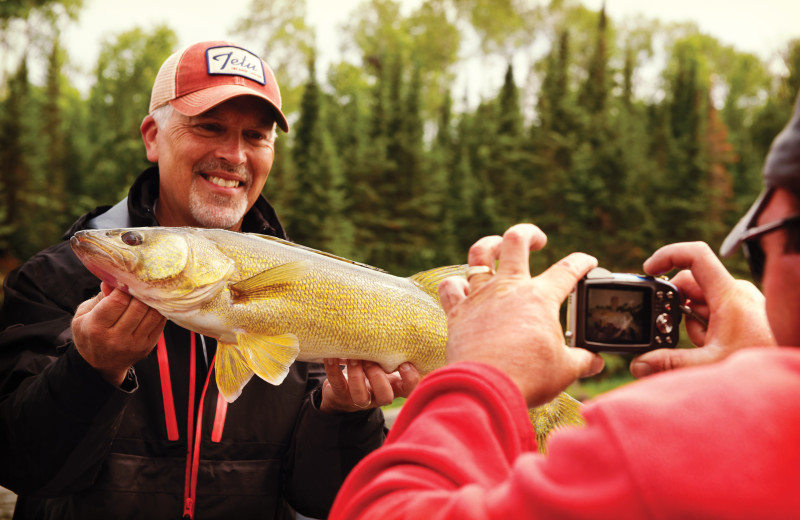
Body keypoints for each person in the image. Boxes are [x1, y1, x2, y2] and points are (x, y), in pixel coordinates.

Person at [0, 40, 419, 520]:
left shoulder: (315, 289)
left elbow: (324, 500)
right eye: (209, 127)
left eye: (256, 136)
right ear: (153, 136)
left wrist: (344, 413)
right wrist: (90, 372)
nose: (234, 154)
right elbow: (22, 466)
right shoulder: (50, 281)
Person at [328, 93, 800, 518]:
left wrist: (484, 377)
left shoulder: (649, 447)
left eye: (754, 248)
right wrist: (770, 357)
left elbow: (382, 510)